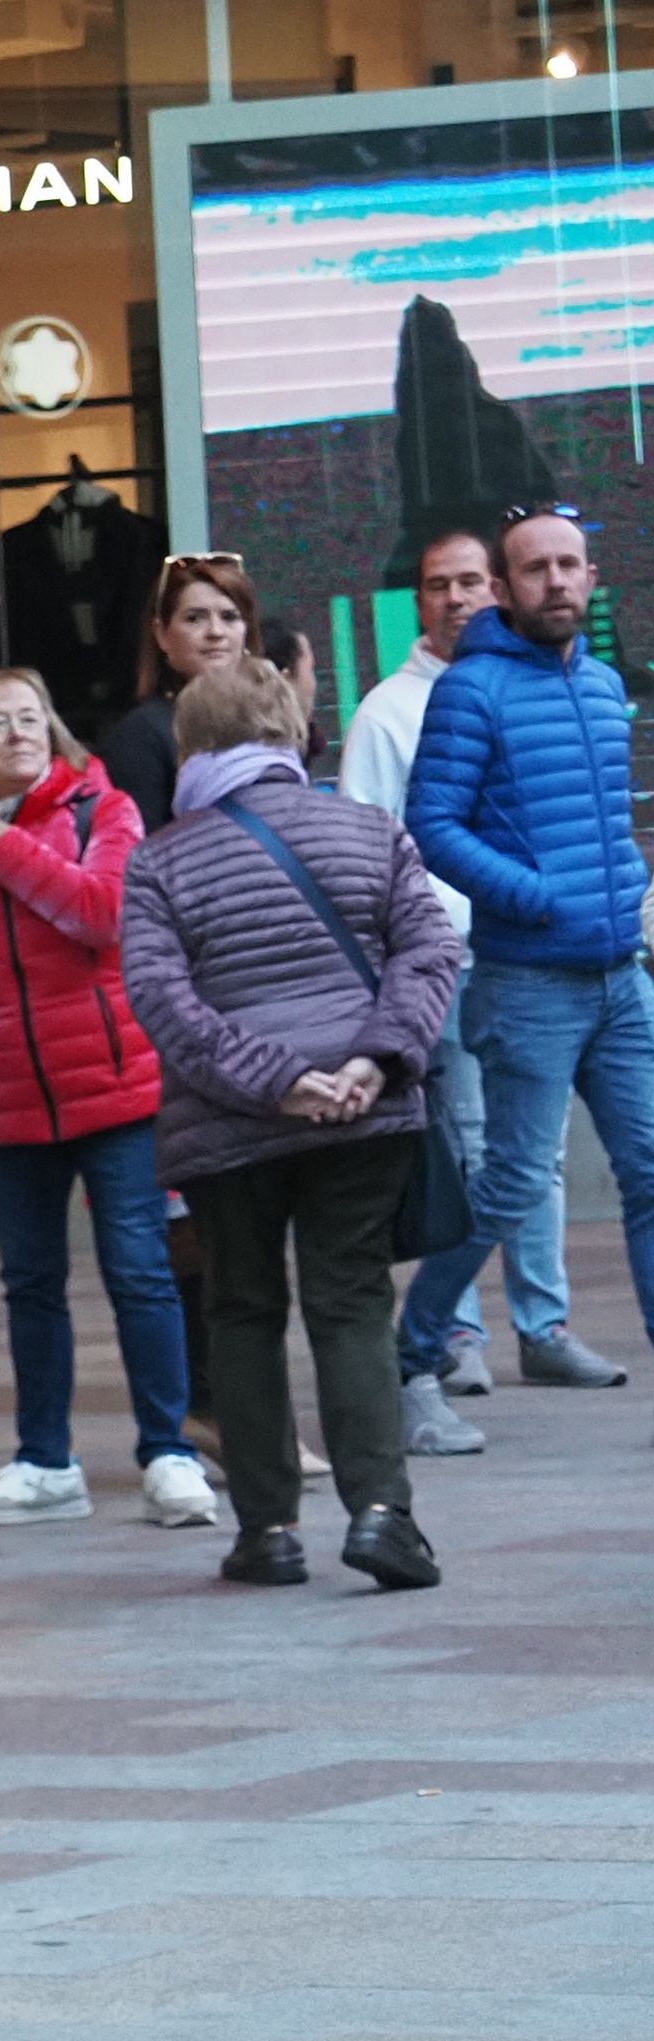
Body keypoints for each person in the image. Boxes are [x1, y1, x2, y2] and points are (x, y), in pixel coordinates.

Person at [117, 658, 458, 1594]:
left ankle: (266, 1531)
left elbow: (162, 1001)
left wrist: (277, 1082)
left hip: (230, 1128)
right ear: (294, 734)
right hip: (366, 1114)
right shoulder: (368, 829)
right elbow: (431, 951)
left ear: (189, 748)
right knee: (351, 1303)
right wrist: (368, 1063)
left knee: (242, 1307)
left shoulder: (159, 861)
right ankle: (384, 1515)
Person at [0, 668, 210, 1527]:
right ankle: (45, 1462)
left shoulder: (103, 811)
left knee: (141, 1273)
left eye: (32, 718)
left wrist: (3, 849)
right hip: (11, 1103)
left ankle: (169, 1454)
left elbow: (105, 913)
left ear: (55, 731)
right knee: (30, 1285)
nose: (19, 734)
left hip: (118, 1091)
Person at [404, 500, 654, 1391]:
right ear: (503, 588)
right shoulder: (473, 688)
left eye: (569, 565)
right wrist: (532, 894)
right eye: (536, 568)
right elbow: (429, 822)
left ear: (591, 576)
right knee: (509, 1188)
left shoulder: (597, 681)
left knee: (651, 1171)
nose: (556, 580)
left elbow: (604, 817)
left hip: (620, 976)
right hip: (529, 981)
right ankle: (416, 1345)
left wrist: (629, 884)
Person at [338, 521, 526, 1440]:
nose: (455, 598)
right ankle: (443, 1340)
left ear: (497, 591)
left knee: (522, 1166)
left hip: (533, 962)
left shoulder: (528, 687)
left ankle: (520, 1326)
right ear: (418, 601)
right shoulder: (384, 713)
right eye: (437, 585)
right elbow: (369, 855)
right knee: (474, 1163)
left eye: (470, 583)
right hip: (442, 970)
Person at [100, 549, 266, 826]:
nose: (216, 631)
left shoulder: (270, 722)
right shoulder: (140, 735)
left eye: (229, 617)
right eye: (194, 618)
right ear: (162, 635)